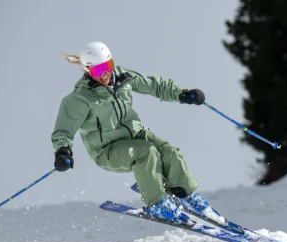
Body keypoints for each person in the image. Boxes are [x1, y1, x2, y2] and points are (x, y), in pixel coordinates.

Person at [51, 41, 225, 226]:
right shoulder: (79, 99)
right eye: (96, 70)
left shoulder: (122, 77)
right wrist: (63, 151)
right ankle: (157, 205)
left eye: (107, 66)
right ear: (86, 70)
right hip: (107, 150)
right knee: (146, 153)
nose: (104, 74)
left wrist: (182, 93)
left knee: (169, 152)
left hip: (137, 135)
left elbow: (154, 85)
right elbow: (63, 130)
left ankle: (186, 194)